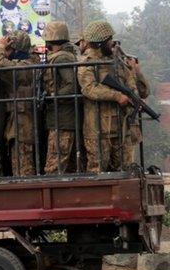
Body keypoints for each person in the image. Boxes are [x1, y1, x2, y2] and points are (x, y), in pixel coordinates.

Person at [77, 20, 137, 172]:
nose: (112, 43)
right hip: (97, 129)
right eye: (109, 40)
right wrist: (116, 96)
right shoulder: (86, 63)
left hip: (120, 127)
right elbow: (89, 88)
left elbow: (131, 86)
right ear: (100, 43)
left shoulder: (116, 62)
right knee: (98, 171)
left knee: (125, 170)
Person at [0, 30, 40, 176]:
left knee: (23, 169)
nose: (6, 52)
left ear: (17, 51)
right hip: (19, 122)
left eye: (9, 49)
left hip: (22, 125)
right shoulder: (28, 63)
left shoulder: (22, 67)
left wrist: (0, 47)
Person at [42, 21, 79, 174]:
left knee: (54, 167)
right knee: (65, 167)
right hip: (61, 118)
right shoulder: (64, 57)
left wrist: (52, 96)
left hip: (63, 120)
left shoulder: (62, 58)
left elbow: (72, 85)